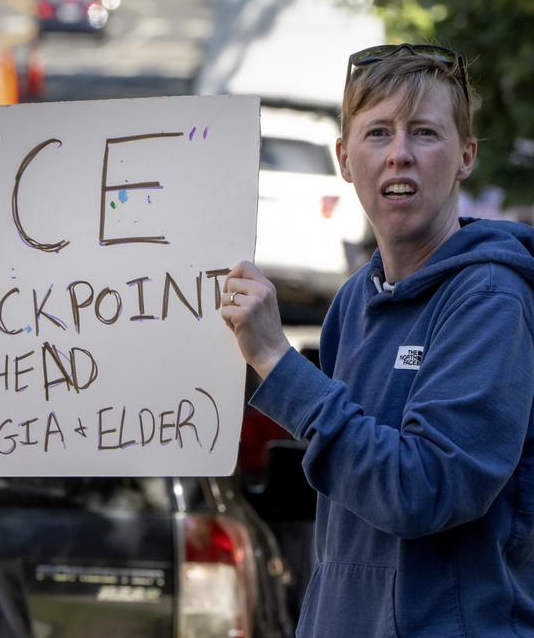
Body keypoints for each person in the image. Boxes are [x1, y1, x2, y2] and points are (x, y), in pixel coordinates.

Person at [221, 44, 534, 636]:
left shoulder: (490, 299)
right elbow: (345, 488)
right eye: (378, 133)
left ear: (466, 156)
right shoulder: (354, 301)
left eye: (424, 133)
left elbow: (424, 490)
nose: (399, 155)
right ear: (343, 158)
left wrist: (274, 359)